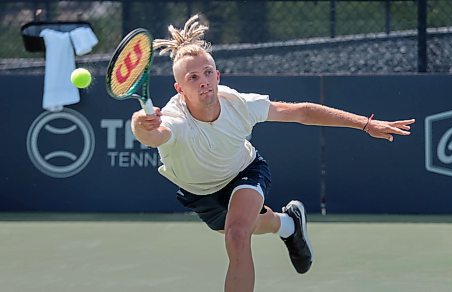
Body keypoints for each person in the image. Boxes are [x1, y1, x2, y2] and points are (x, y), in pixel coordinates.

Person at [131, 15, 415, 292]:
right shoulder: (174, 118)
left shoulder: (239, 104)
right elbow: (155, 135)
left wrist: (365, 124)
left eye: (207, 73)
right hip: (199, 191)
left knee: (237, 235)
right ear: (180, 89)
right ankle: (289, 224)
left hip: (244, 172)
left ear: (217, 75)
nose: (203, 81)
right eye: (193, 77)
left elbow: (302, 112)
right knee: (255, 225)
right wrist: (139, 124)